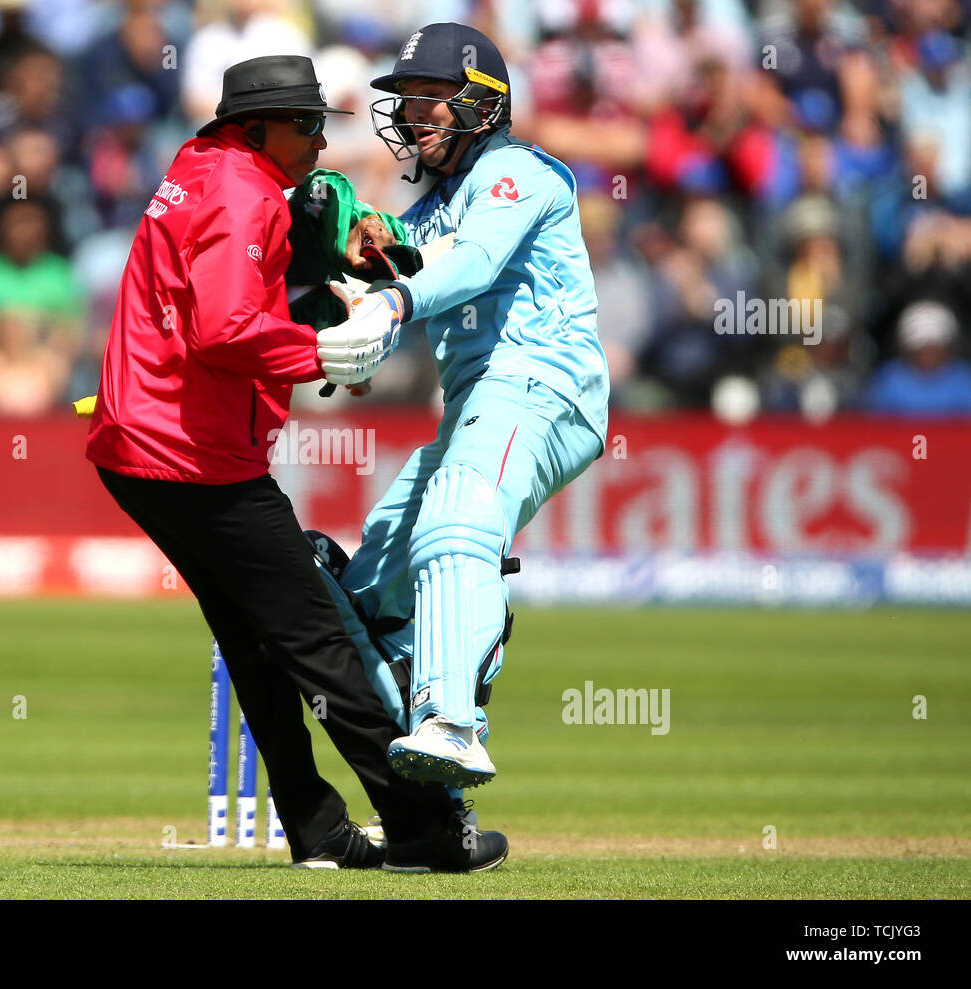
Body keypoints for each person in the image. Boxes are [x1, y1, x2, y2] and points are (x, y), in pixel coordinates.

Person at [84, 54, 508, 871]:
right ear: (254, 130)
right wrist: (322, 347)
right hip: (191, 456)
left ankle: (317, 829)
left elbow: (292, 230)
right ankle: (419, 826)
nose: (320, 140)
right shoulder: (244, 193)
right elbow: (224, 330)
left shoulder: (203, 166)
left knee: (257, 639)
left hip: (142, 447)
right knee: (315, 636)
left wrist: (336, 249)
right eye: (305, 125)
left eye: (322, 124)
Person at [314, 24, 610, 789]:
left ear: (484, 102)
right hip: (481, 403)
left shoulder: (523, 173)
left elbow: (472, 264)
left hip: (545, 382)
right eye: (407, 104)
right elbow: (384, 273)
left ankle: (454, 725)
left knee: (458, 513)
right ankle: (430, 785)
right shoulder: (429, 214)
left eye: (432, 100)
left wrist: (393, 301)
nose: (415, 118)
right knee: (369, 594)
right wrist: (352, 289)